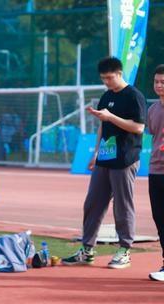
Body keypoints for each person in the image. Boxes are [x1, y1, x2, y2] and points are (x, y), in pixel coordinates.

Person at [63, 57, 146, 269]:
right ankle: (87, 249)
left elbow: (138, 127)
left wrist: (111, 117)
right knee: (93, 203)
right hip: (105, 158)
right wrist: (96, 152)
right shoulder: (107, 96)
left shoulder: (134, 96)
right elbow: (102, 125)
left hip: (125, 159)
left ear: (119, 74)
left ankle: (124, 249)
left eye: (109, 78)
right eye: (103, 78)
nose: (106, 82)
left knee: (122, 205)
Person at [148, 65, 164, 281]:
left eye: (163, 82)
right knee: (160, 219)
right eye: (156, 82)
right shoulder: (152, 110)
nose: (159, 86)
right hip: (156, 170)